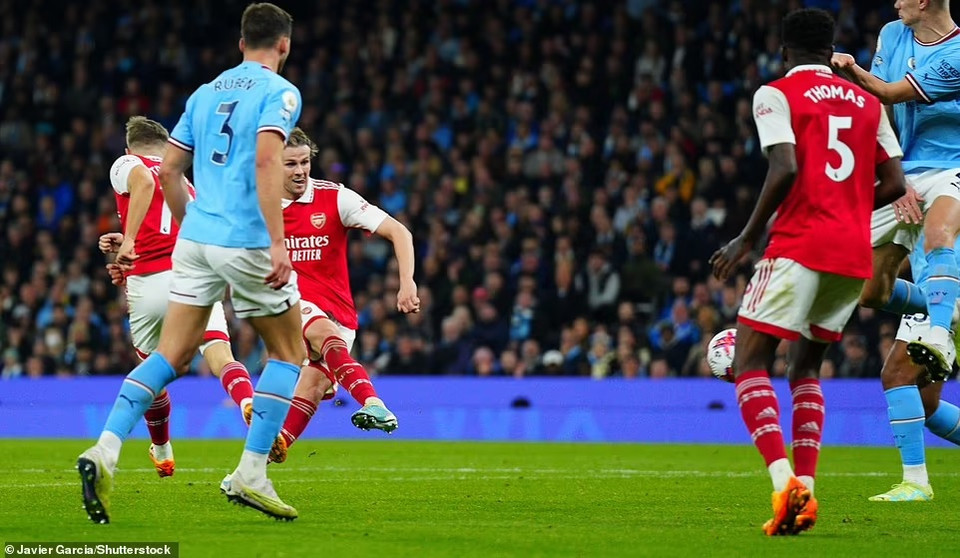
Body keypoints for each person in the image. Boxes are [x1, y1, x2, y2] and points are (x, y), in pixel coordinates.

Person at [77, 3, 304, 522]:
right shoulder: (279, 92)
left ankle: (105, 449)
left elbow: (172, 168)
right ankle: (251, 473)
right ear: (284, 45)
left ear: (240, 42)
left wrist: (193, 231)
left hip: (195, 240)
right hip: (244, 237)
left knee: (170, 357)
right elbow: (269, 159)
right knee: (290, 351)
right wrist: (276, 240)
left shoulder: (205, 94)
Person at [710, 8, 906, 536]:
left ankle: (783, 484)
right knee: (805, 369)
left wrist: (747, 237)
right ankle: (809, 492)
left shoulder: (775, 93)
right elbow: (894, 185)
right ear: (830, 49)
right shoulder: (868, 102)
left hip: (799, 244)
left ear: (784, 51)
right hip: (851, 254)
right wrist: (846, 209)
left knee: (750, 360)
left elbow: (785, 165)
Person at [99, 116, 258, 479]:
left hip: (151, 283)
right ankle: (247, 400)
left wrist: (129, 241)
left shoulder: (128, 164)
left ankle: (162, 448)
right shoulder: (187, 184)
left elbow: (141, 184)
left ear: (129, 148)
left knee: (150, 370)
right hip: (195, 276)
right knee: (220, 353)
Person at [270, 128, 418, 463]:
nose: (300, 170)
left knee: (313, 387)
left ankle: (263, 458)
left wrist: (406, 282)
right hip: (291, 303)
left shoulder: (335, 198)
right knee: (323, 334)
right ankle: (373, 402)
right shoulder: (259, 205)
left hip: (339, 310)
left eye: (305, 162)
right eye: (290, 163)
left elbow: (399, 231)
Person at [833, 0, 960, 379]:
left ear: (923, 2)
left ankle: (939, 335)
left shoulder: (957, 53)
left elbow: (889, 92)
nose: (895, 2)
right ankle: (948, 306)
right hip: (906, 171)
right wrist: (895, 176)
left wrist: (851, 67)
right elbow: (877, 108)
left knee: (940, 236)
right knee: (872, 292)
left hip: (952, 167)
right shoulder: (893, 33)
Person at [869, 233, 960, 502]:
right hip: (936, 284)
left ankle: (916, 482)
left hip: (942, 288)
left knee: (897, 375)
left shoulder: (919, 194)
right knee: (926, 404)